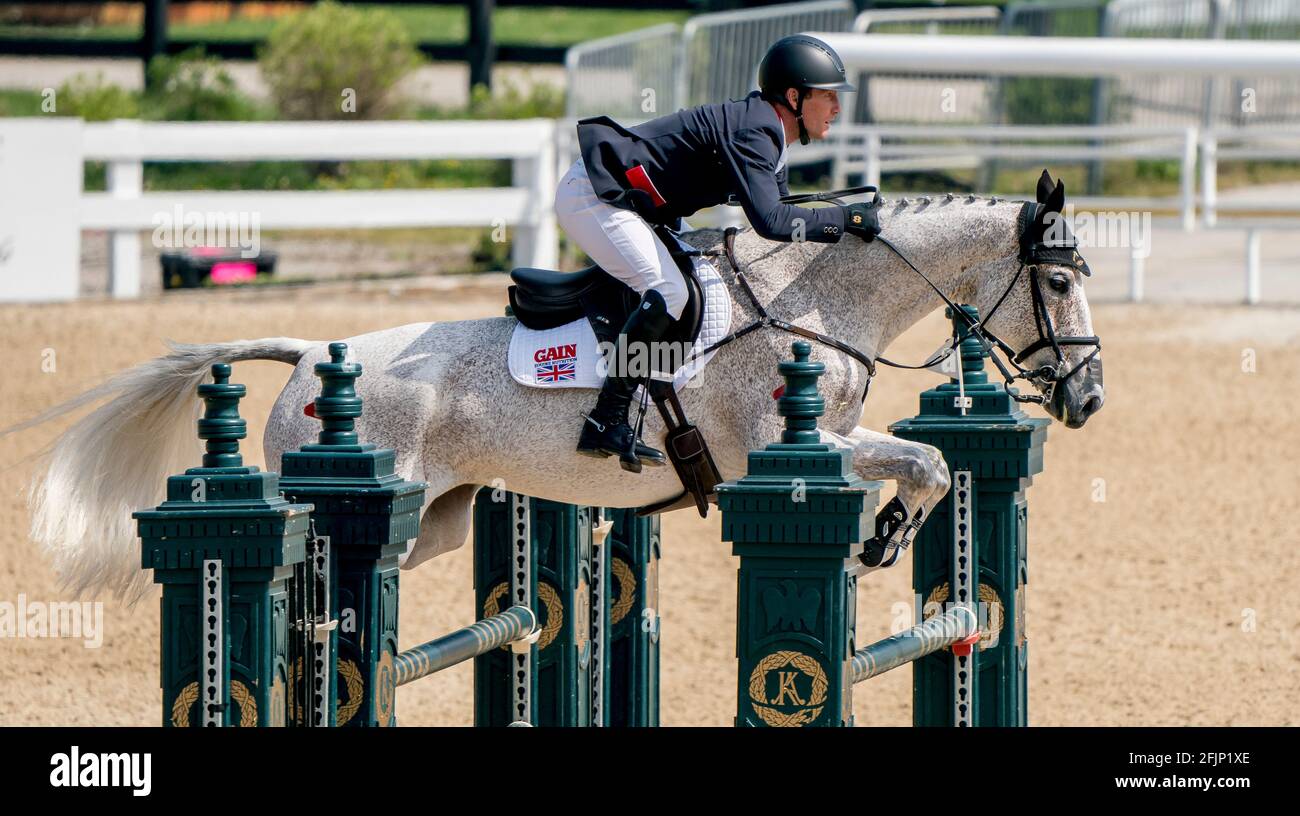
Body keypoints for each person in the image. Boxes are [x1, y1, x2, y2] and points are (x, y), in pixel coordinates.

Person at [558, 34, 882, 473]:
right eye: (827, 96)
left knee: (701, 275)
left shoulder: (771, 133)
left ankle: (658, 389)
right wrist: (848, 220)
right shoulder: (756, 130)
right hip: (599, 196)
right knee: (670, 291)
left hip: (641, 205)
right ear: (794, 96)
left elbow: (783, 212)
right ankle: (607, 418)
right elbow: (770, 224)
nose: (837, 108)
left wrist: (842, 218)